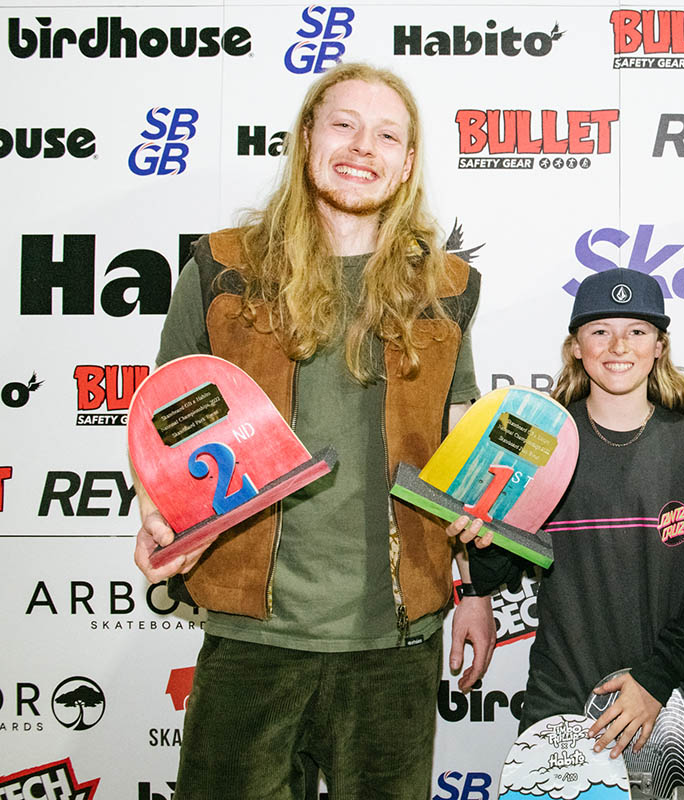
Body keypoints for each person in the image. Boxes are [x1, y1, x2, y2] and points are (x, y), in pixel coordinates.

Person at [131, 62, 495, 800]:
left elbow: (464, 444)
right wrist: (157, 507)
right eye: (344, 125)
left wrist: (479, 575)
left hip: (394, 641)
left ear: (408, 164)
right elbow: (168, 420)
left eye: (388, 134)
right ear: (305, 139)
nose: (364, 146)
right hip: (252, 633)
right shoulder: (222, 268)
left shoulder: (447, 287)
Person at [451, 269, 684, 799]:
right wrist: (480, 537)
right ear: (576, 347)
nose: (618, 346)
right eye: (600, 330)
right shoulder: (537, 445)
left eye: (636, 331)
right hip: (560, 717)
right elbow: (497, 570)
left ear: (659, 346)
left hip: (668, 711)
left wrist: (657, 678)